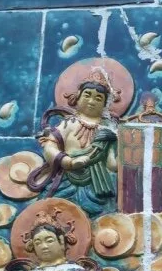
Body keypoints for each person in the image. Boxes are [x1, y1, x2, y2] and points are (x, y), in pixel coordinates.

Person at [26, 70, 120, 217]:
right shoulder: (69, 123)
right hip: (67, 179)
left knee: (100, 212)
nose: (91, 101)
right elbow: (50, 146)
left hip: (96, 183)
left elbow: (111, 165)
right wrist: (68, 162)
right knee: (56, 210)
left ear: (104, 105)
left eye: (98, 98)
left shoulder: (106, 131)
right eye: (87, 95)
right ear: (77, 97)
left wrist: (127, 155)